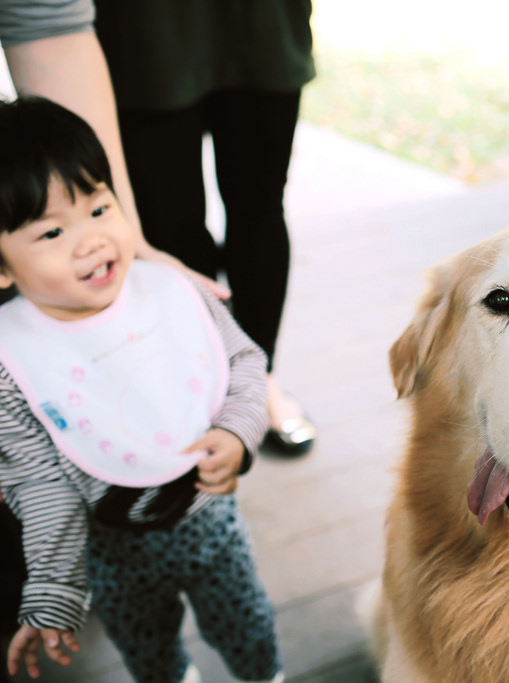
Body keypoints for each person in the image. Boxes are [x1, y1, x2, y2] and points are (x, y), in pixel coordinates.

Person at [0, 97, 283, 683]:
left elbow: (244, 362)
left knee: (246, 622)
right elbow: (36, 481)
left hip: (213, 521)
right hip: (111, 550)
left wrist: (238, 429)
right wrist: (53, 589)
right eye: (52, 229)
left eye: (100, 207)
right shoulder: (12, 361)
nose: (91, 240)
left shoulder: (173, 291)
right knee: (147, 649)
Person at [0, 0, 317, 456]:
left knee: (259, 206)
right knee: (171, 225)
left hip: (258, 24)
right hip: (145, 33)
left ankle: (255, 383)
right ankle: (192, 386)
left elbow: (45, 17)